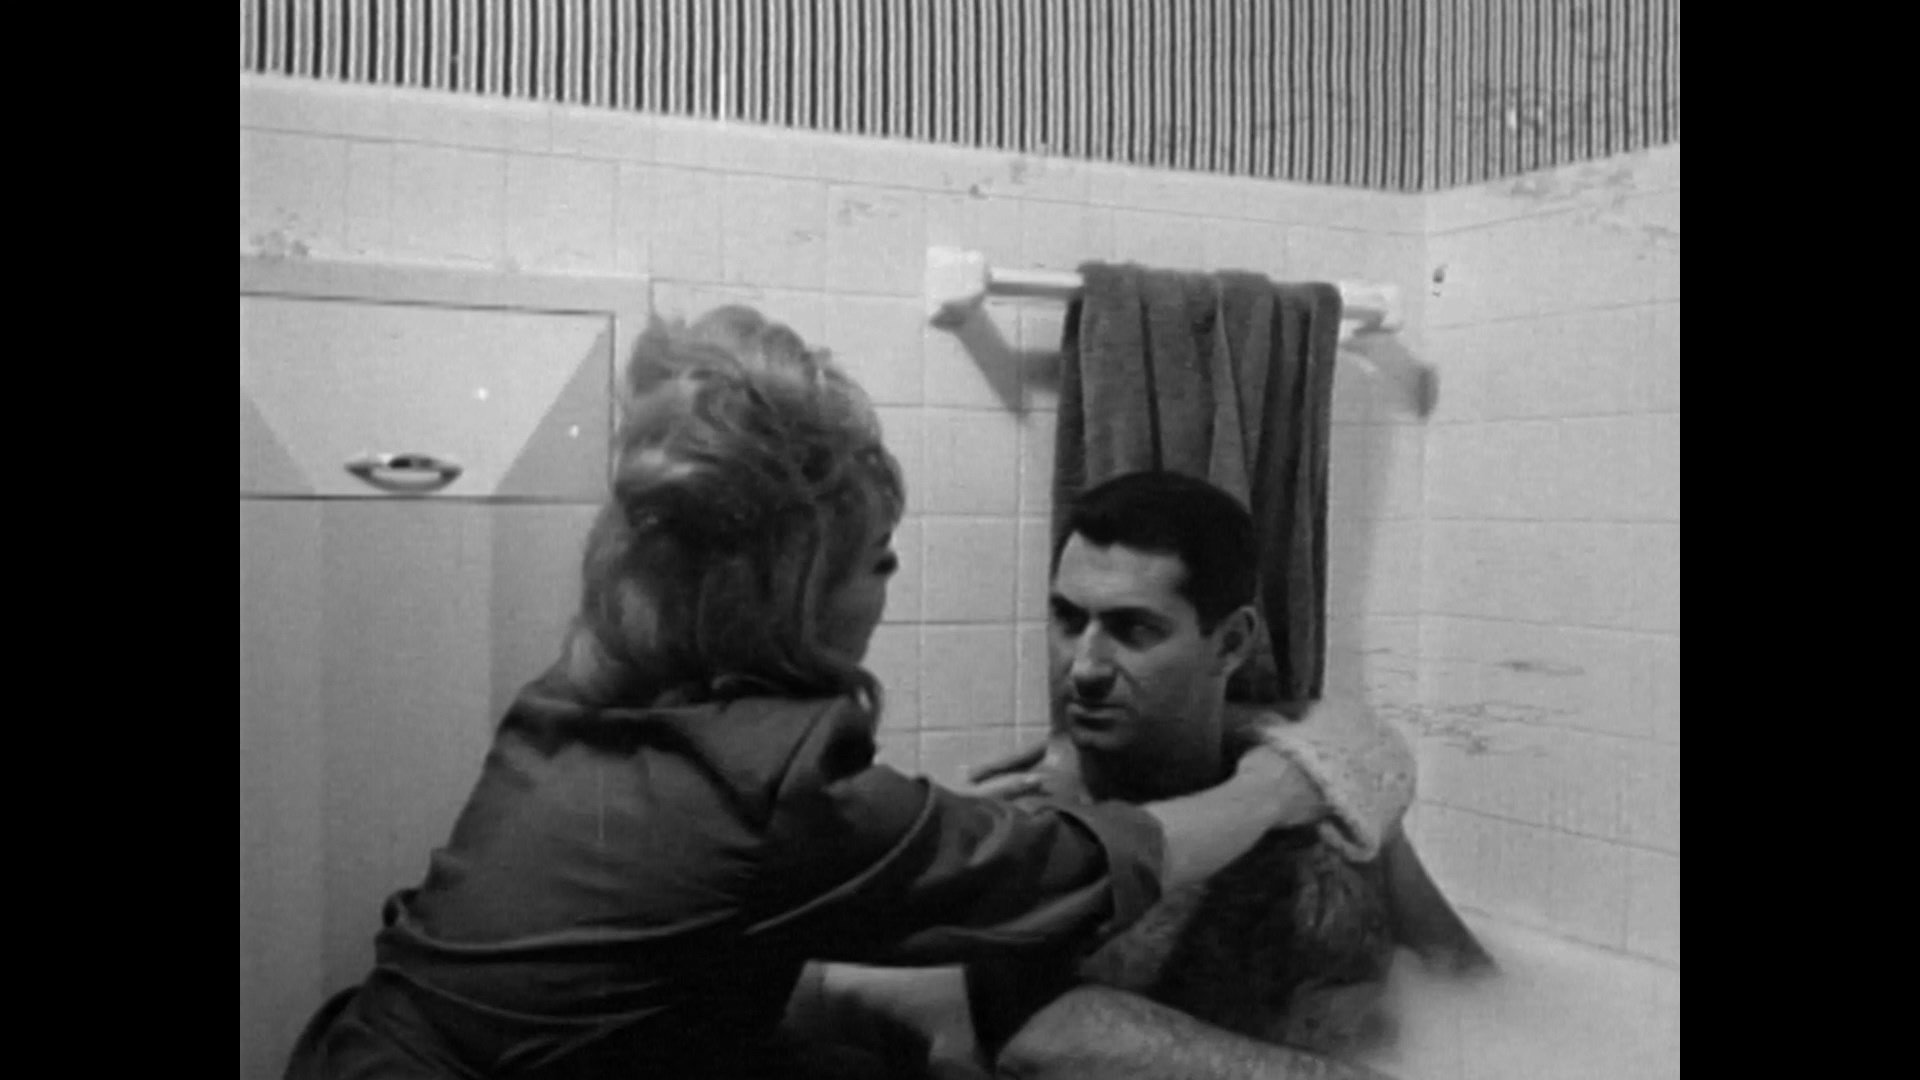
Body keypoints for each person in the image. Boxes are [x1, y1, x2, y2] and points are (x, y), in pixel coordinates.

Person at [280, 308, 1360, 1080]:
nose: (1083, 662)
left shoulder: (587, 695)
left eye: (1133, 628)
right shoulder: (775, 779)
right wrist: (1282, 783)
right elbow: (1073, 879)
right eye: (877, 560)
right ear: (794, 590)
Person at [811, 472, 1488, 1079]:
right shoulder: (1032, 837)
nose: (1084, 666)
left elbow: (1460, 974)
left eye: (1133, 629)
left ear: (1231, 642)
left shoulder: (1328, 788)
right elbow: (1038, 1042)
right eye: (1068, 619)